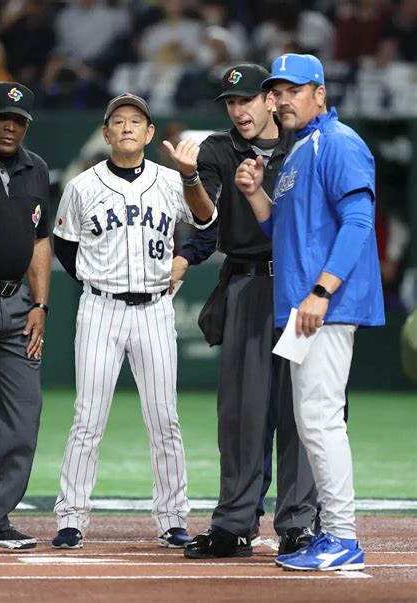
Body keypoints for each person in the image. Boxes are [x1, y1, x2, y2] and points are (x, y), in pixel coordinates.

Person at [235, 53, 384, 571]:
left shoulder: (339, 142)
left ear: (319, 92)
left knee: (319, 420)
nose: (280, 100)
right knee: (311, 420)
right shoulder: (299, 151)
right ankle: (333, 531)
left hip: (323, 304)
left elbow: (360, 221)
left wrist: (322, 291)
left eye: (292, 90)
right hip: (304, 307)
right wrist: (255, 196)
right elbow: (286, 232)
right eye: (276, 91)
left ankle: (342, 535)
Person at [51, 92, 216, 549]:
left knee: (165, 418)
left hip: (154, 310)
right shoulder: (83, 185)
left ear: (149, 133)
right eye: (118, 121)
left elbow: (206, 221)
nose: (126, 126)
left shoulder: (170, 180)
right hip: (101, 308)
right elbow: (64, 244)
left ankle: (172, 516)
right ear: (105, 134)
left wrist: (191, 179)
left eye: (136, 121)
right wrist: (93, 276)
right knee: (88, 417)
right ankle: (71, 516)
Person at [169, 63, 317, 559]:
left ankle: (298, 522)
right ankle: (235, 523)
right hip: (248, 286)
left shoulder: (304, 144)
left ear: (271, 100)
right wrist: (190, 179)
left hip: (296, 288)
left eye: (247, 100)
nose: (238, 110)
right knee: (241, 413)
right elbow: (204, 215)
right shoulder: (216, 149)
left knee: (299, 411)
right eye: (230, 103)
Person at [0, 82, 51, 552]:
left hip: (18, 304)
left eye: (19, 121)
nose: (11, 127)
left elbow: (40, 239)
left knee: (22, 417)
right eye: (3, 118)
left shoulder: (35, 168)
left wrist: (40, 304)